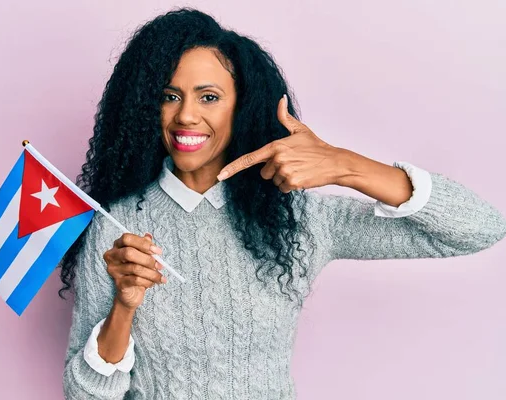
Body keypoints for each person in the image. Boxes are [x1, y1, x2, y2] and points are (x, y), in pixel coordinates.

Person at [59, 7, 506, 400]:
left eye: (209, 97)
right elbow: (84, 396)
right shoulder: (115, 224)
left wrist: (345, 165)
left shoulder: (296, 219)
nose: (186, 116)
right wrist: (124, 304)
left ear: (242, 107)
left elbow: (480, 228)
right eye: (169, 96)